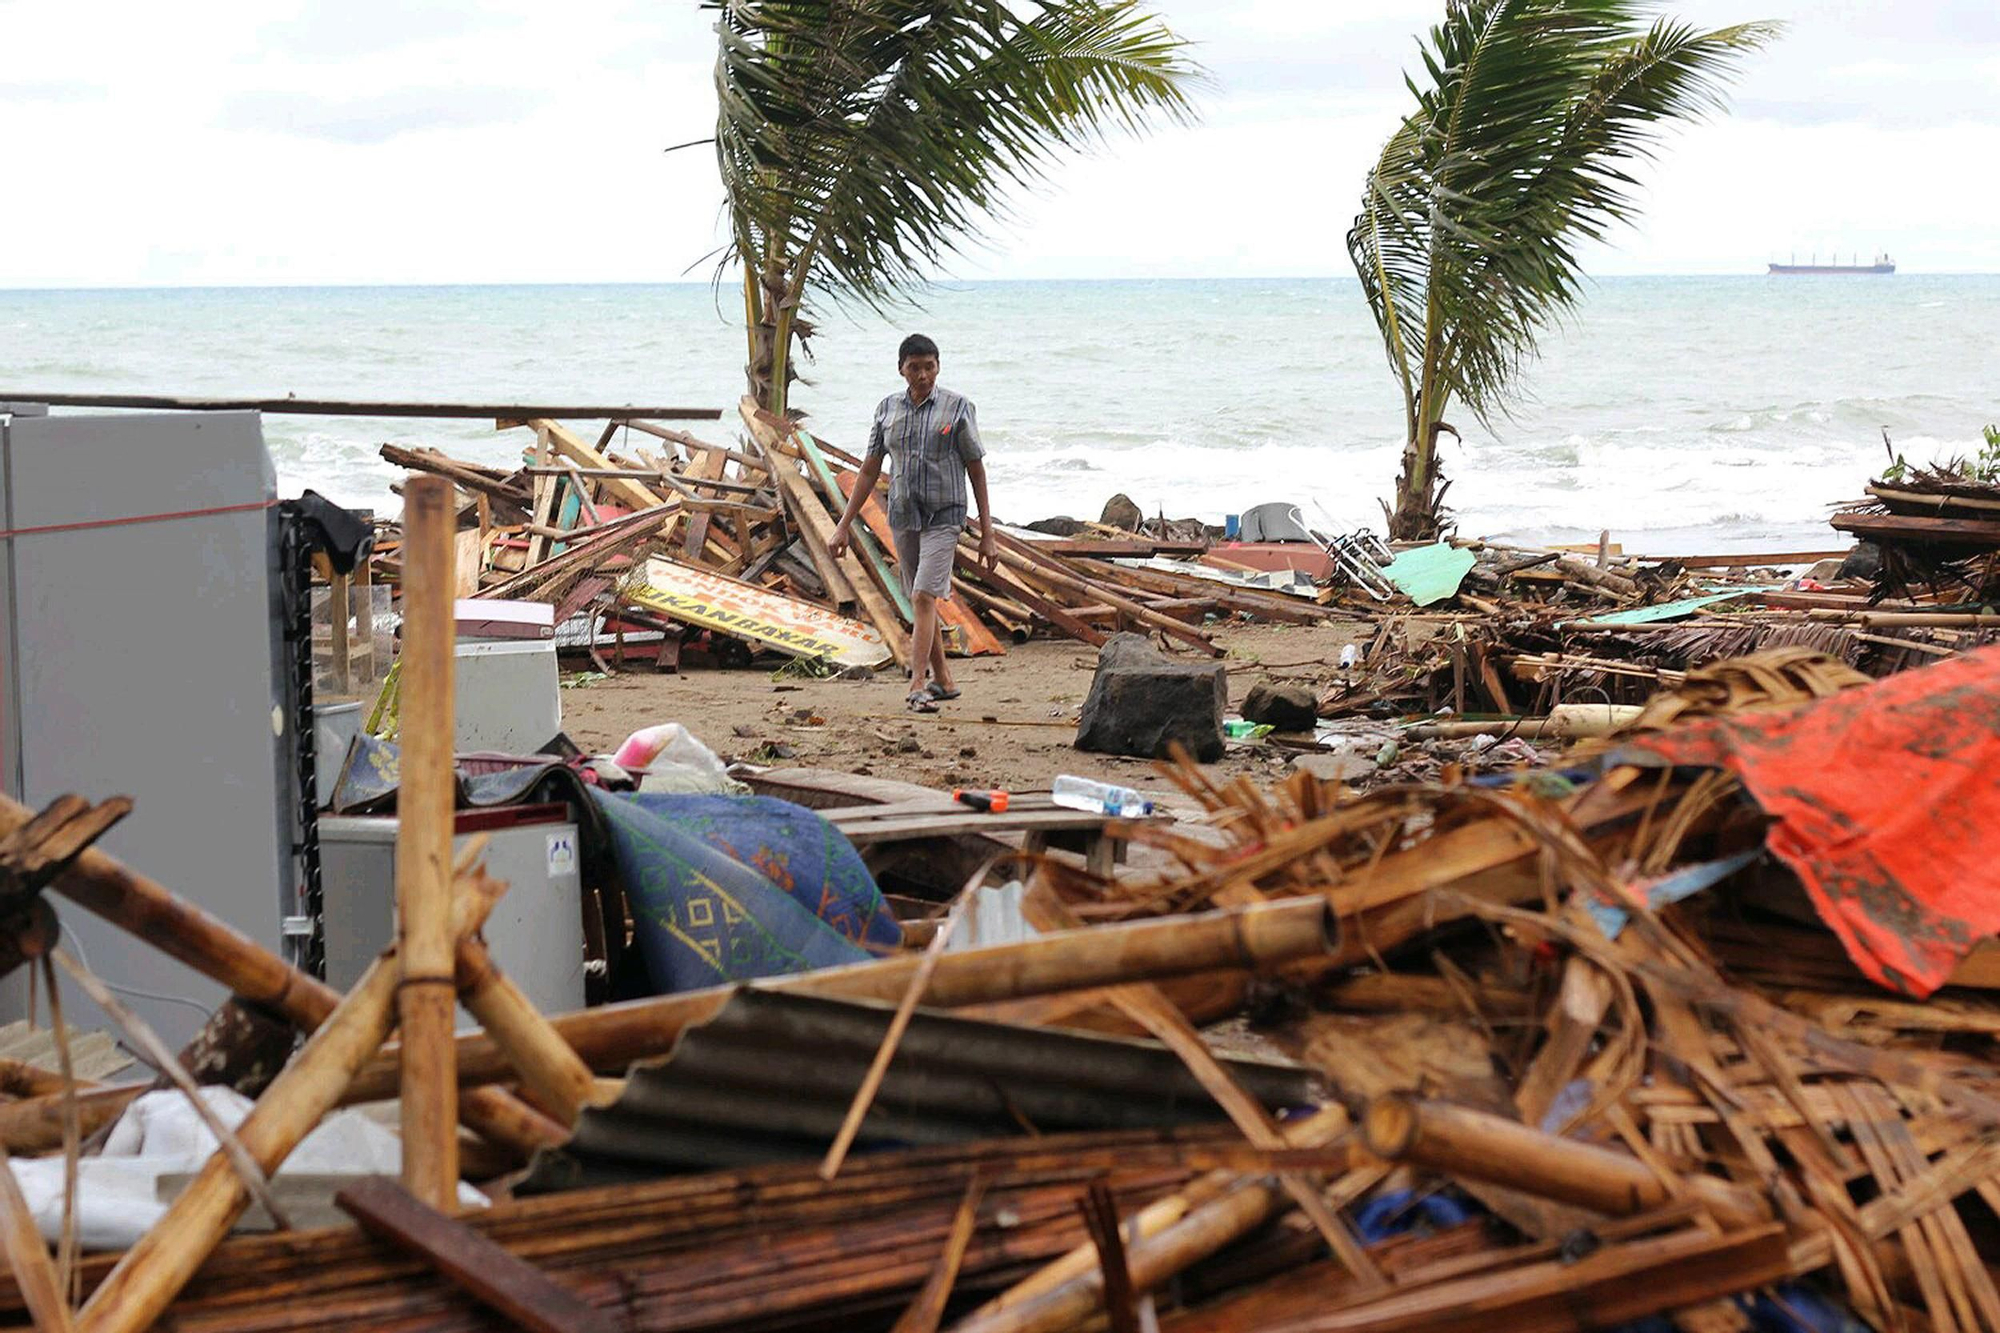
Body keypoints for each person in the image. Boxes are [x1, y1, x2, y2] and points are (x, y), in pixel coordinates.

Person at [829, 333, 995, 712]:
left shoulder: (957, 408)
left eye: (930, 367)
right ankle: (946, 681)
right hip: (903, 516)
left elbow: (976, 470)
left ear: (938, 366)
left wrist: (988, 534)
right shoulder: (887, 409)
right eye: (915, 367)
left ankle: (917, 684)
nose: (923, 375)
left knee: (923, 595)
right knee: (920, 600)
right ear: (901, 368)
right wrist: (843, 525)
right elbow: (870, 469)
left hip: (945, 515)